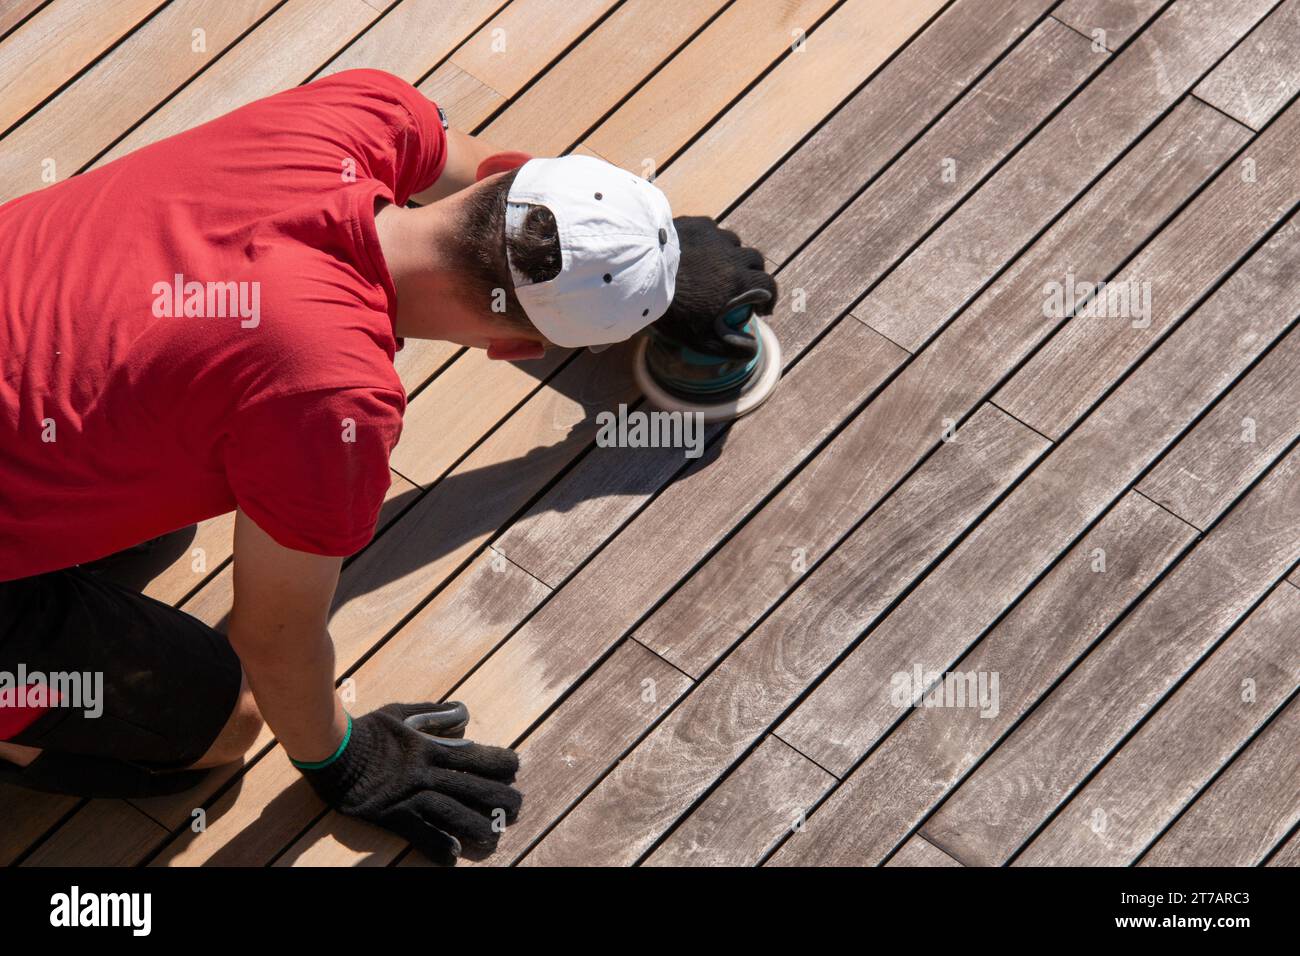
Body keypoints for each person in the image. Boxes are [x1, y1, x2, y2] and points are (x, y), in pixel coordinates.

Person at [0, 69, 775, 863]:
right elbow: (273, 640)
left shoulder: (355, 117)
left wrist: (652, 258)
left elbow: (500, 189)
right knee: (222, 724)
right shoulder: (330, 398)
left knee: (156, 523)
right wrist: (343, 758)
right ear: (516, 349)